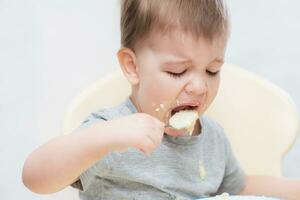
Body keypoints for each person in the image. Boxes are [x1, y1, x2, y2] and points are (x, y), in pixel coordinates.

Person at [22, 0, 300, 199]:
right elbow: (35, 178)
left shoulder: (213, 139)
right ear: (133, 67)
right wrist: (101, 138)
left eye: (212, 70)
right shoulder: (112, 131)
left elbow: (239, 187)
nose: (200, 86)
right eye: (178, 71)